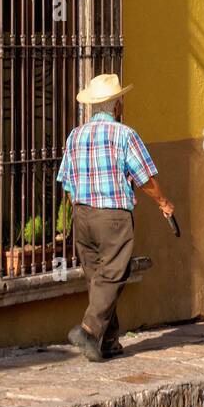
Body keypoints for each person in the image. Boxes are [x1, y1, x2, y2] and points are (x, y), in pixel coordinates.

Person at [56, 72, 173, 361]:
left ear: (94, 106)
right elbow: (144, 177)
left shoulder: (76, 135)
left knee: (98, 277)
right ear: (117, 106)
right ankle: (88, 329)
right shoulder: (125, 135)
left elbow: (68, 182)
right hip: (113, 217)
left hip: (82, 214)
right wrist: (164, 202)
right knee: (113, 274)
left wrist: (82, 210)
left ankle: (107, 341)